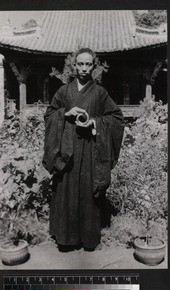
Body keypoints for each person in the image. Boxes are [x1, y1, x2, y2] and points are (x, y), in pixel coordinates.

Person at [43, 48, 124, 251]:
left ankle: (88, 238)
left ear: (93, 67)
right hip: (67, 152)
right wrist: (65, 113)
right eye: (80, 64)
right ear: (74, 65)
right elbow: (49, 115)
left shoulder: (100, 93)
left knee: (88, 192)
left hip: (90, 150)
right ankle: (66, 238)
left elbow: (116, 118)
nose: (84, 68)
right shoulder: (63, 91)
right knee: (66, 191)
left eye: (88, 64)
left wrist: (94, 123)